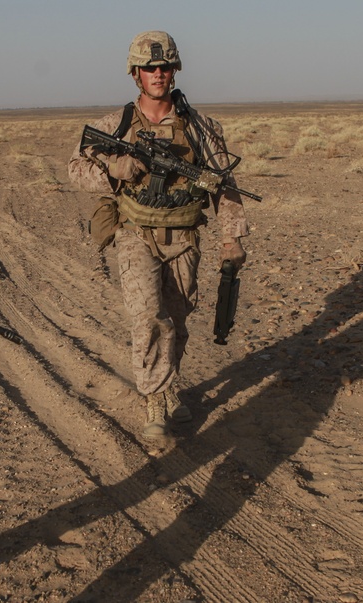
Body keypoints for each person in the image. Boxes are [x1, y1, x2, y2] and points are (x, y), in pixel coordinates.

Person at [68, 31, 250, 446]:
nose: (157, 74)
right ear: (135, 73)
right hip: (136, 234)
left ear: (174, 70)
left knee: (179, 317)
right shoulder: (116, 124)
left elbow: (225, 185)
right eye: (149, 68)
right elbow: (75, 168)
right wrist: (111, 171)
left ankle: (168, 384)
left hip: (185, 235)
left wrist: (232, 238)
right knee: (148, 316)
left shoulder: (201, 128)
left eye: (164, 66)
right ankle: (153, 399)